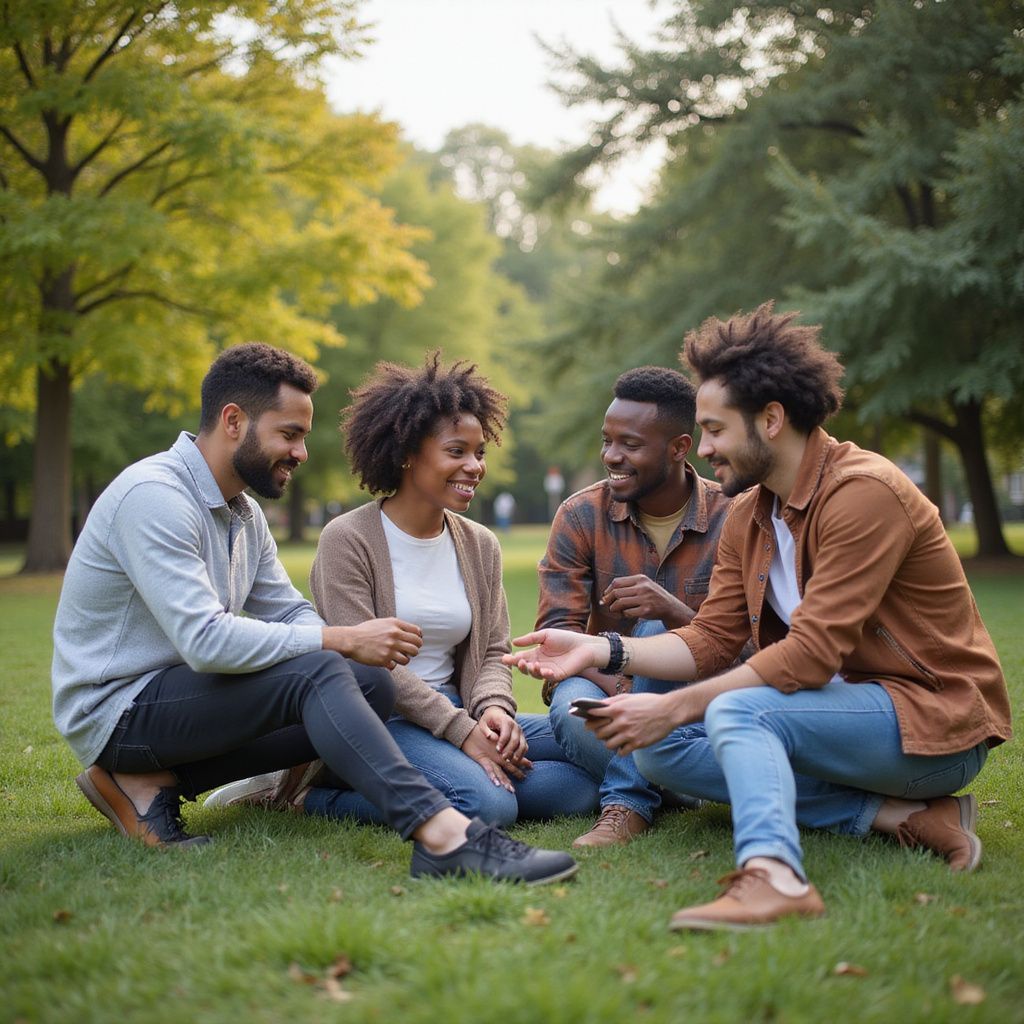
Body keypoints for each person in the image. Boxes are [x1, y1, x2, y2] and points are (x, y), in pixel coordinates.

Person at [506, 303, 1011, 927]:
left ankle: (774, 877)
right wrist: (604, 652)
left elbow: (810, 655)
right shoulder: (751, 513)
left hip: (932, 723)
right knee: (661, 754)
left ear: (771, 420)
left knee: (736, 710)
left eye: (715, 430)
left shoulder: (864, 493)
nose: (706, 448)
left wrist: (675, 705)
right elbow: (712, 637)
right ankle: (902, 818)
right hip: (836, 721)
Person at [52, 342, 576, 885]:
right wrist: (341, 641)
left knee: (367, 681)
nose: (302, 452)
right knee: (329, 664)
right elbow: (205, 641)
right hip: (118, 709)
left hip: (182, 701)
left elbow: (289, 611)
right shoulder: (155, 497)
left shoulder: (243, 514)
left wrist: (346, 647)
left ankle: (148, 780)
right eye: (290, 434)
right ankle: (442, 833)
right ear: (234, 421)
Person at [204, 352, 598, 828]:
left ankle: (461, 774)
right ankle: (307, 796)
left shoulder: (480, 545)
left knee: (577, 786)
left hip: (459, 711)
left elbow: (492, 649)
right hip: (382, 720)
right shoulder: (348, 540)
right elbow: (364, 665)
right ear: (409, 453)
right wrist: (460, 733)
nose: (474, 466)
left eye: (479, 452)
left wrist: (492, 709)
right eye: (457, 452)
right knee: (490, 806)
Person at [538, 366, 733, 848]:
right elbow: (556, 644)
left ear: (679, 447)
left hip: (707, 695)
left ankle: (631, 799)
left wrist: (672, 613)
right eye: (607, 441)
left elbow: (754, 648)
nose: (611, 456)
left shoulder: (735, 515)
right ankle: (683, 784)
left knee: (652, 628)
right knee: (568, 709)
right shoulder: (581, 515)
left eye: (629, 444)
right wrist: (631, 686)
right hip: (602, 687)